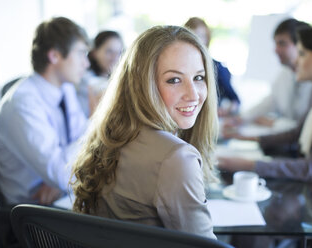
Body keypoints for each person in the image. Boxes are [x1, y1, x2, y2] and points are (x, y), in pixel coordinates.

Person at [71, 25, 219, 239]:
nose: (193, 94)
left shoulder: (114, 133)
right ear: (142, 85)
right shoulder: (176, 158)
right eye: (174, 80)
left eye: (198, 77)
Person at [218, 25, 312, 237]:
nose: (297, 61)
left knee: (259, 221)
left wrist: (249, 164)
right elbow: (295, 134)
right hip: (310, 191)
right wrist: (245, 137)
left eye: (302, 54)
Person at [0, 17, 89, 205]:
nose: (86, 64)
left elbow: (77, 159)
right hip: (34, 213)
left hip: (62, 194)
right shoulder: (22, 104)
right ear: (54, 56)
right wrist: (97, 121)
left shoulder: (65, 88)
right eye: (80, 53)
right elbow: (64, 173)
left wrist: (62, 180)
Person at [235, 18, 312, 127]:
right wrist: (241, 118)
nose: (275, 50)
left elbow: (305, 128)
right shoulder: (284, 74)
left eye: (282, 43)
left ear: (301, 46)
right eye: (276, 44)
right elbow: (270, 101)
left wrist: (273, 122)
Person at [184, 17, 240, 116]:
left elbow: (235, 100)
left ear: (207, 38)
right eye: (193, 35)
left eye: (201, 36)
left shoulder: (218, 67)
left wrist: (226, 110)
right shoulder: (179, 65)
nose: (198, 40)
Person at [77, 31, 124, 117]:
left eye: (119, 52)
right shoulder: (85, 80)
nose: (115, 58)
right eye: (109, 51)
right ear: (95, 52)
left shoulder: (116, 80)